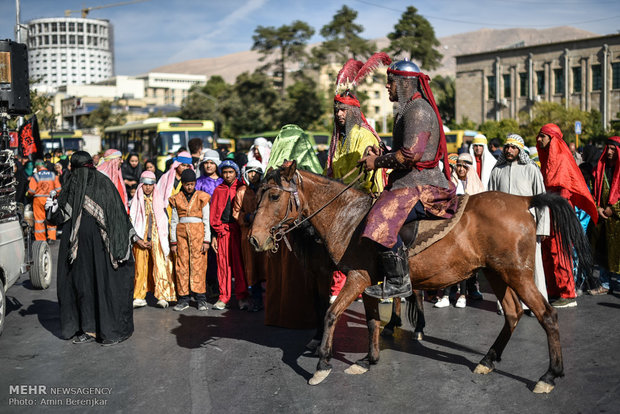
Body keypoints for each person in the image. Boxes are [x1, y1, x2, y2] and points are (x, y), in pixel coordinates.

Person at [359, 58, 458, 299]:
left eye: (390, 82)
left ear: (404, 83)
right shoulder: (408, 109)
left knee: (379, 220)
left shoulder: (418, 110)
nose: (387, 87)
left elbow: (409, 156)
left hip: (422, 185)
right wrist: (382, 154)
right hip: (410, 182)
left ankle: (398, 281)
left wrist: (377, 162)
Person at [45, 151, 136, 345]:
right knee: (88, 287)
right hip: (86, 249)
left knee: (94, 286)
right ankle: (91, 329)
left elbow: (116, 215)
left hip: (94, 248)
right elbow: (62, 215)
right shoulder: (86, 183)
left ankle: (103, 330)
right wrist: (51, 209)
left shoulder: (90, 182)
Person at [325, 55, 389, 302]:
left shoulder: (365, 136)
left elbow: (375, 173)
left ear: (353, 110)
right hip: (340, 202)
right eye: (337, 109)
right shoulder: (337, 140)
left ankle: (380, 280)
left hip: (364, 199)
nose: (339, 114)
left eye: (343, 109)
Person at [536, 123, 598, 308]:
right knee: (547, 253)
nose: (539, 139)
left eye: (542, 136)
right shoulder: (548, 159)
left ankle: (568, 294)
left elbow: (564, 193)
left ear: (552, 138)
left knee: (560, 252)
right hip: (547, 213)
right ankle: (554, 291)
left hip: (559, 215)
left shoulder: (561, 158)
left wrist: (555, 214)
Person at [488, 134, 550, 314]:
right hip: (502, 229)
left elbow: (541, 199)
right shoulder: (497, 170)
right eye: (507, 147)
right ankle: (509, 305)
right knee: (505, 267)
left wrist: (543, 227)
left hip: (526, 228)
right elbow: (490, 200)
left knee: (532, 266)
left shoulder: (531, 170)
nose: (509, 150)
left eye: (513, 147)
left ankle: (536, 304)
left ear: (520, 150)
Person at [430, 153, 485, 309]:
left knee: (466, 263)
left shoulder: (476, 185)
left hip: (469, 229)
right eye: (458, 165)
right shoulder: (450, 182)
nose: (460, 169)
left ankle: (464, 294)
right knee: (449, 261)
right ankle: (447, 295)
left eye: (464, 166)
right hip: (451, 226)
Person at [129, 171, 176, 309]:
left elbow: (164, 221)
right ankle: (139, 296)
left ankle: (163, 295)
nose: (148, 188)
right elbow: (131, 222)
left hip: (158, 237)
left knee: (160, 264)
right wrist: (138, 239)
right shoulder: (135, 202)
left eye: (151, 185)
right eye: (145, 184)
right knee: (140, 267)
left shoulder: (160, 201)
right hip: (139, 238)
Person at [169, 169, 211, 311]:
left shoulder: (202, 197)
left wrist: (207, 240)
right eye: (187, 184)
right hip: (181, 236)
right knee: (182, 265)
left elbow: (206, 220)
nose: (189, 187)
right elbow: (174, 221)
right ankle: (183, 299)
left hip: (198, 235)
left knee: (198, 265)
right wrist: (173, 241)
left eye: (192, 184)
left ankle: (201, 299)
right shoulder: (176, 198)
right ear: (182, 183)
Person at [210, 160, 250, 311]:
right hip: (222, 231)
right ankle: (223, 297)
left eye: (230, 172)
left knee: (240, 265)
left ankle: (242, 296)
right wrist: (215, 233)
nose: (227, 175)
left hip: (238, 231)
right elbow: (214, 212)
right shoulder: (218, 189)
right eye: (225, 172)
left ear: (236, 173)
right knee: (223, 266)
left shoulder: (241, 188)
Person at [233, 160, 265, 311]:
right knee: (252, 269)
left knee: (266, 268)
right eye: (250, 172)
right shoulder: (241, 192)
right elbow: (236, 212)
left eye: (256, 172)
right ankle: (256, 300)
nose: (253, 175)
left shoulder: (265, 190)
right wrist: (247, 218)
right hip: (248, 233)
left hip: (264, 234)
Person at [590, 136, 620, 294]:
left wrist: (613, 209)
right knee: (601, 251)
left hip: (617, 220)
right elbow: (591, 191)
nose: (609, 152)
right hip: (601, 217)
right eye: (607, 148)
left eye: (613, 149)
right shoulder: (598, 169)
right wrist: (598, 208)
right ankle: (605, 284)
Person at [27, 160, 62, 242]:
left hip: (38, 200)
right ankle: (51, 237)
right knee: (51, 218)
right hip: (50, 199)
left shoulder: (35, 176)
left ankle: (40, 239)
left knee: (39, 220)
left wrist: (29, 195)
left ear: (37, 167)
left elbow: (31, 191)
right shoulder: (53, 175)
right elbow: (59, 189)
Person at [156, 150, 193, 215]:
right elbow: (159, 194)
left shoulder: (191, 180)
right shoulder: (166, 177)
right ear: (177, 165)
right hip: (167, 211)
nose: (185, 168)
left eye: (187, 166)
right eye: (183, 165)